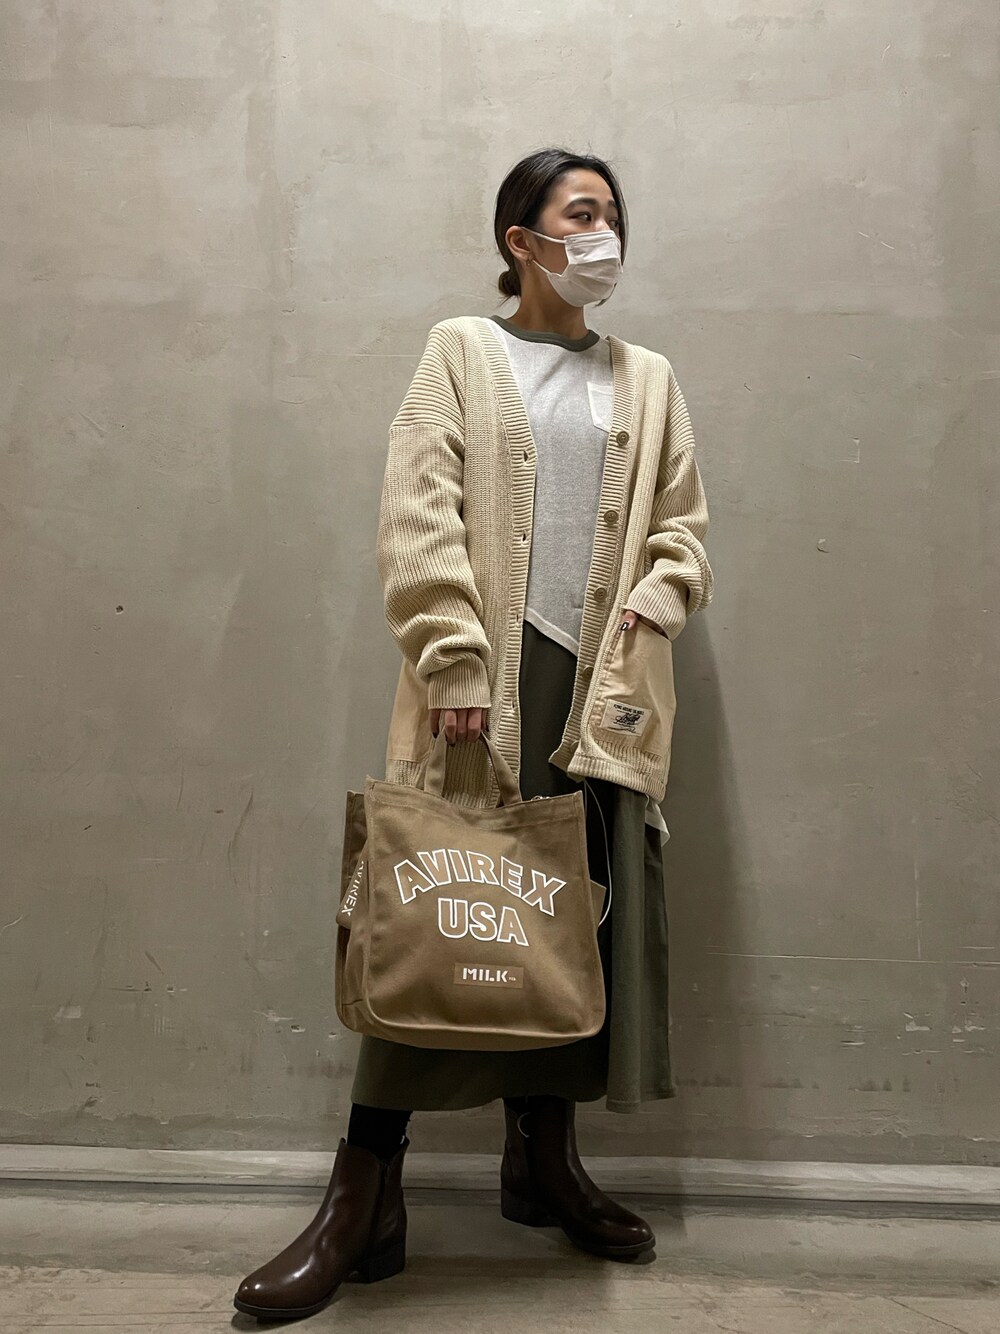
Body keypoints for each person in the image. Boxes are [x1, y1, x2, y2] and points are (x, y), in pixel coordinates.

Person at [234, 146, 715, 1321]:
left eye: (613, 214)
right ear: (522, 238)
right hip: (484, 685)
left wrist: (656, 598)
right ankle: (363, 1193)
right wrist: (451, 653)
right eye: (581, 213)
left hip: (600, 692)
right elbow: (418, 507)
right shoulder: (461, 350)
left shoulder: (647, 376)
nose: (603, 234)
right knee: (440, 912)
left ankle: (542, 1164)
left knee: (563, 929)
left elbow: (682, 528)